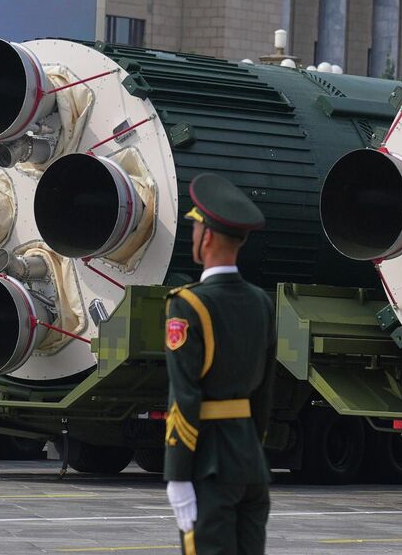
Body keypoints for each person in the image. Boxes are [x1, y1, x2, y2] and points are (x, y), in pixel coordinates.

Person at [164, 173, 273, 555]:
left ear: (206, 237)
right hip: (249, 461)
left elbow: (185, 396)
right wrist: (252, 451)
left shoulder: (188, 305)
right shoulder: (262, 302)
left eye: (195, 228)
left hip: (209, 463)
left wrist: (177, 475)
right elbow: (264, 392)